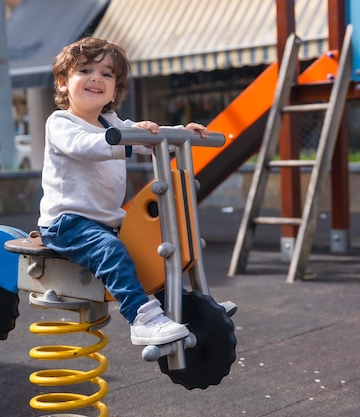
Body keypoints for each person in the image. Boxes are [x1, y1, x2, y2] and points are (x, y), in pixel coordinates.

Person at [37, 37, 209, 346]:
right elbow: (86, 146)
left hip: (107, 220)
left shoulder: (110, 121)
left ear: (115, 89)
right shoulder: (61, 123)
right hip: (67, 223)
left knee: (149, 248)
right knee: (112, 252)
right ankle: (141, 318)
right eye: (85, 70)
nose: (96, 78)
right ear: (63, 82)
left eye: (107, 74)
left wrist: (180, 133)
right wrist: (123, 140)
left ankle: (182, 306)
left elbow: (144, 140)